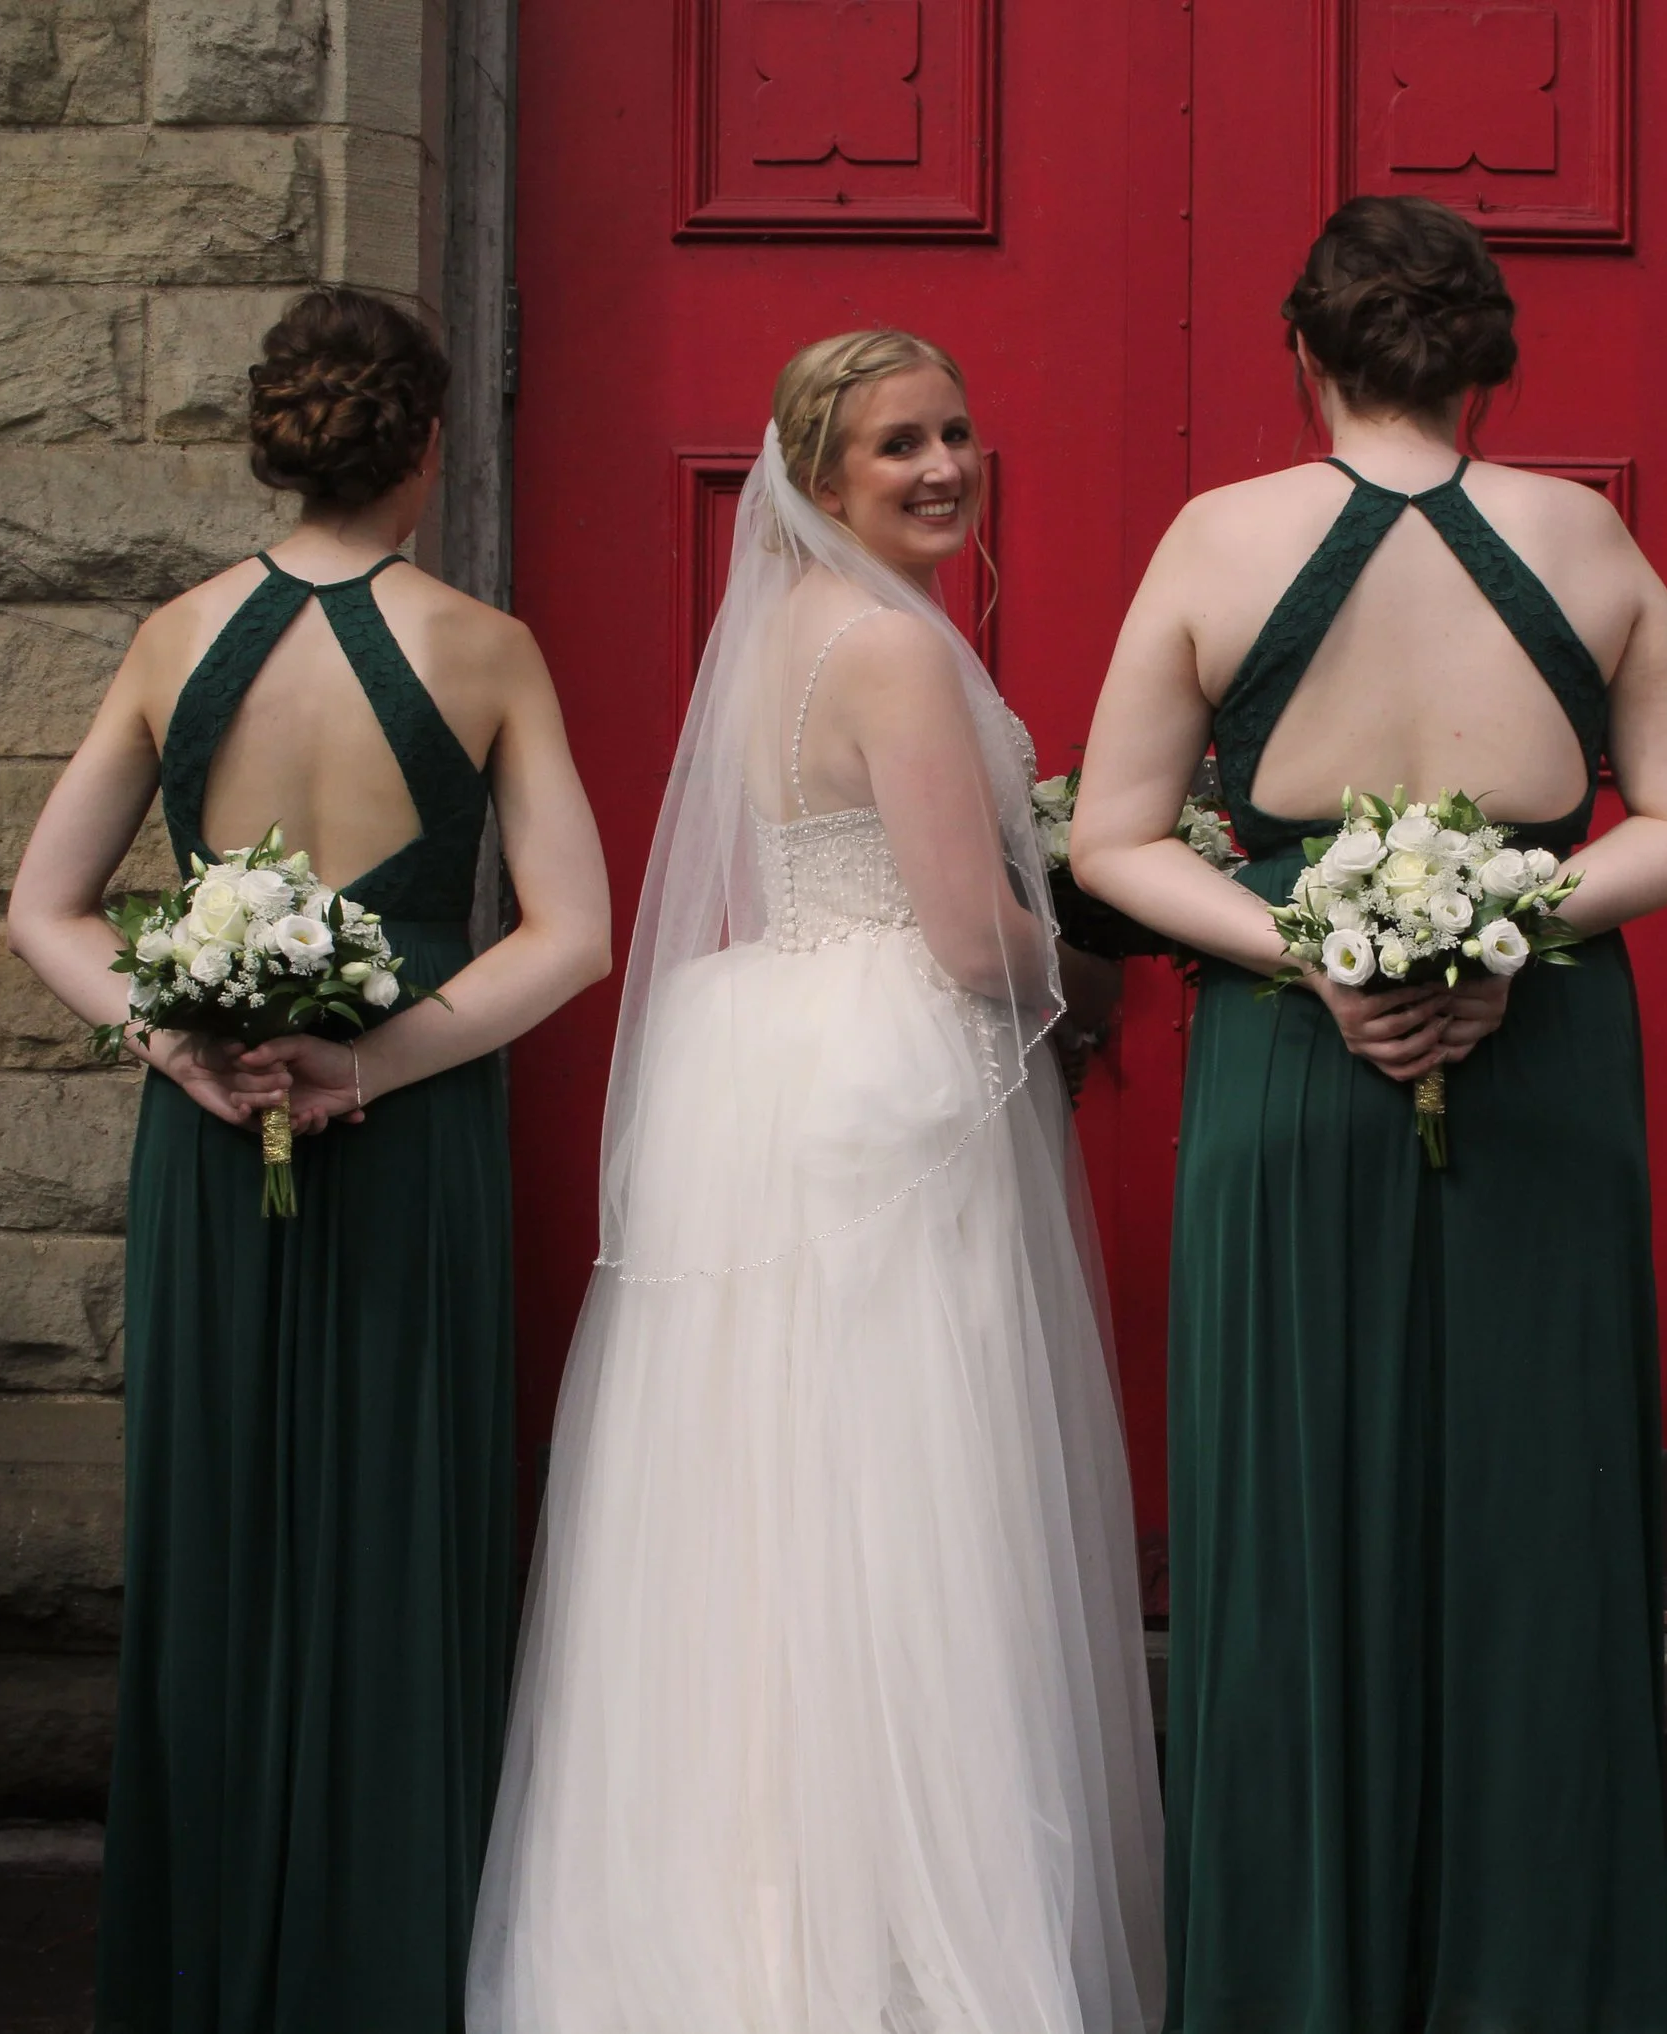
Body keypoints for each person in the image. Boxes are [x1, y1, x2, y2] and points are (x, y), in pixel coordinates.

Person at [1071, 196, 1667, 2034]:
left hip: (1304, 1072)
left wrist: (1315, 947)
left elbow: (1109, 839)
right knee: (1538, 1533)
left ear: (1307, 356)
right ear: (1487, 362)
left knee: (1295, 1533)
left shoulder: (1223, 537)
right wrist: (1508, 928)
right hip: (1537, 1066)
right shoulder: (1581, 536)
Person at [465, 330, 1163, 2033]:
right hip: (892, 1077)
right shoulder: (896, 651)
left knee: (774, 1510)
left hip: (769, 1050)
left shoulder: (781, 631)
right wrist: (1095, 946)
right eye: (899, 447)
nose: (943, 467)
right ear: (819, 473)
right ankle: (893, 1957)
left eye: (959, 433)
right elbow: (965, 933)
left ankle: (743, 1926)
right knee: (910, 1492)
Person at [7, 286, 612, 2031]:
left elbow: (45, 908)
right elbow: (571, 936)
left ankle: (209, 1966)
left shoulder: (172, 633)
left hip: (209, 1137)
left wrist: (175, 1044)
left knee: (223, 1533)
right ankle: (385, 1957)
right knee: (395, 1530)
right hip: (398, 1141)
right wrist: (375, 1060)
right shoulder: (484, 647)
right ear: (429, 444)